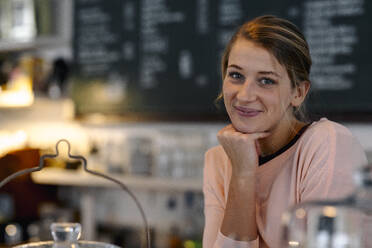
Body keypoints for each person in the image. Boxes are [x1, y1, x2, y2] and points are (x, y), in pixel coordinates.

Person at [203, 15, 368, 248]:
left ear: (298, 92)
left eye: (266, 81)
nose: (245, 95)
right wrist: (242, 174)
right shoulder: (219, 160)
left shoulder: (328, 144)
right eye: (236, 75)